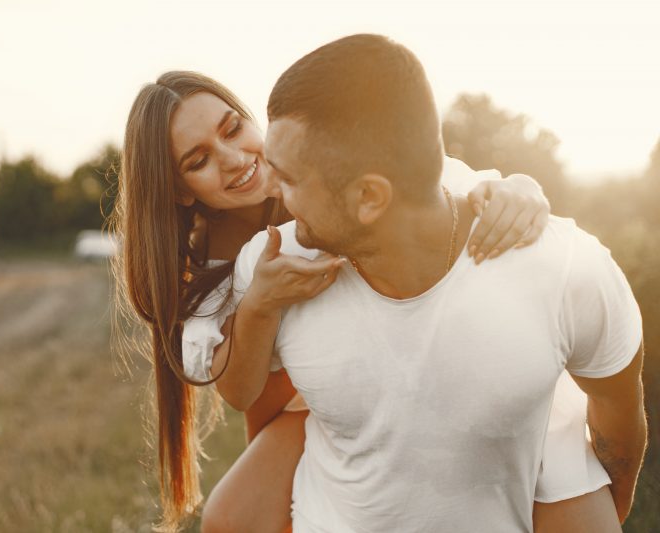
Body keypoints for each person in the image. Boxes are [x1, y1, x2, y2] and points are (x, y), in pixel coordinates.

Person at [112, 71, 613, 532]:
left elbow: (437, 188)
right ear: (179, 191)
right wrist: (260, 304)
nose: (234, 158)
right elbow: (242, 395)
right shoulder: (207, 270)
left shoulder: (316, 169)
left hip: (434, 351)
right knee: (229, 517)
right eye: (198, 161)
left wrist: (518, 187)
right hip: (319, 399)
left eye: (232, 128)